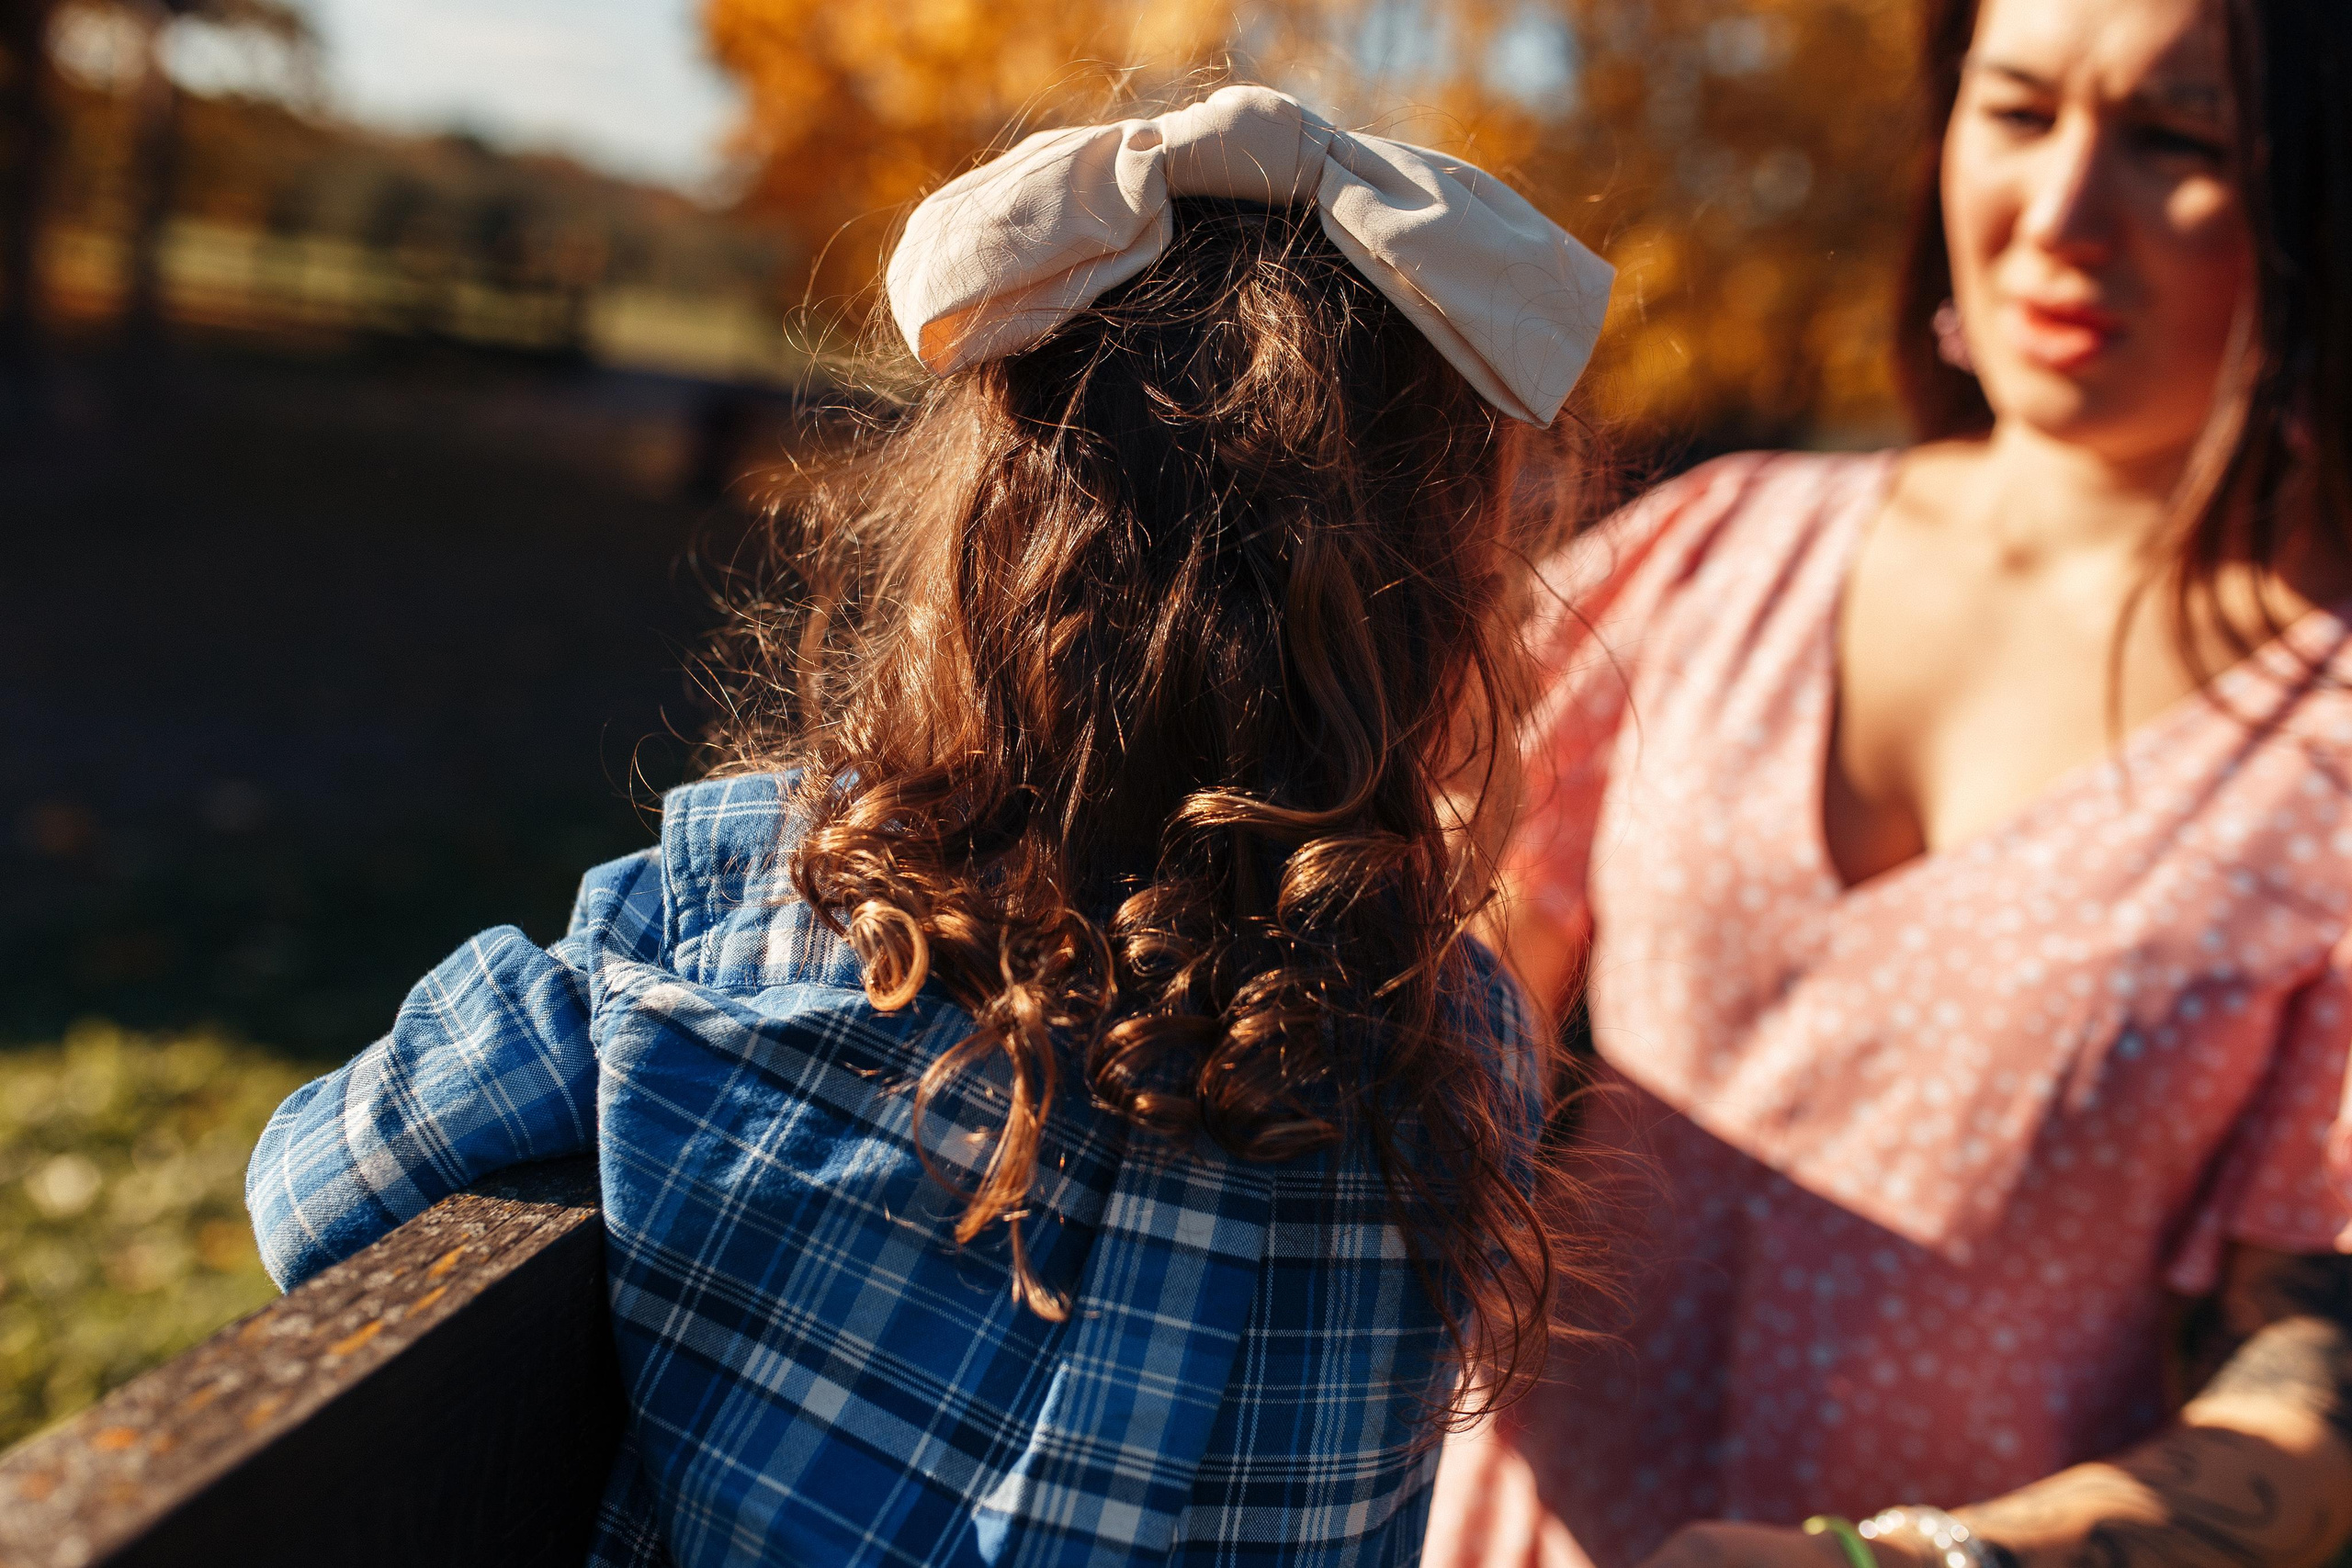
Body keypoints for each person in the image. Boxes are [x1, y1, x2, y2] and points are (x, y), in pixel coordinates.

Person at [243, 85, 1618, 1567]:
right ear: (1445, 627)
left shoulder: (751, 921)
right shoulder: (1447, 1048)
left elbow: (318, 1191)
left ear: (976, 557)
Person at [1422, 1, 2352, 1566]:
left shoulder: (2325, 754)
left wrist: (1916, 1564)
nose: (2060, 214)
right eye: (2017, 113)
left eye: (2178, 141)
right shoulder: (1707, 555)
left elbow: (2315, 1383)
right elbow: (1422, 1008)